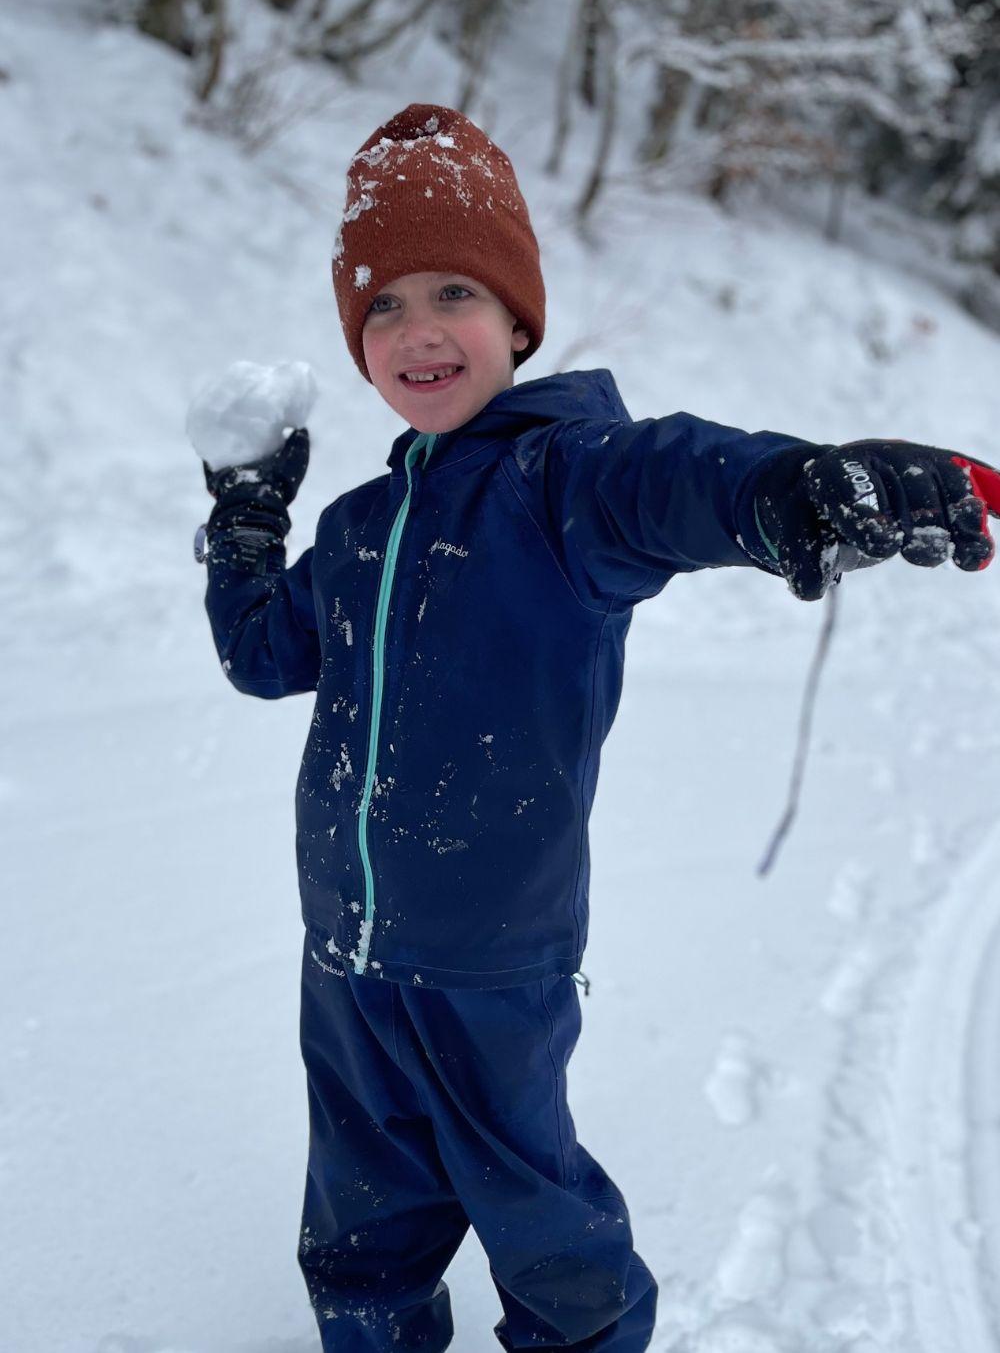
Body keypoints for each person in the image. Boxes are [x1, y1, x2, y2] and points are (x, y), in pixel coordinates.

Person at [194, 102, 1000, 1353]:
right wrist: (248, 520)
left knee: (541, 1224)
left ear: (518, 318)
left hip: (493, 963)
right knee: (358, 1233)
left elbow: (684, 477)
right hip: (343, 958)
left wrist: (797, 488)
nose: (418, 332)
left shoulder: (564, 483)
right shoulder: (355, 529)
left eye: (454, 292)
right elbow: (263, 654)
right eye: (385, 307)